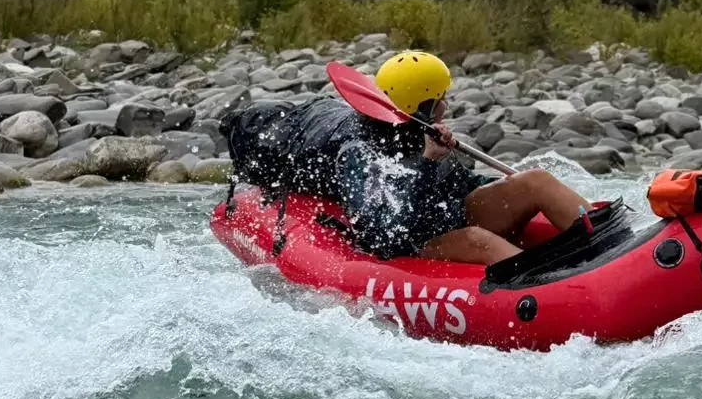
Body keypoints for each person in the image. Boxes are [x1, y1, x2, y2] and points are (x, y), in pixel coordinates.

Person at [221, 50, 588, 264]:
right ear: (425, 105)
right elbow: (384, 236)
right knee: (478, 239)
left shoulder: (416, 129)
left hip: (439, 211)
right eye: (441, 97)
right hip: (411, 237)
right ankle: (569, 287)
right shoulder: (358, 152)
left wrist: (498, 186)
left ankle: (611, 237)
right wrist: (428, 163)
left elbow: (458, 188)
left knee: (535, 181)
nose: (447, 104)